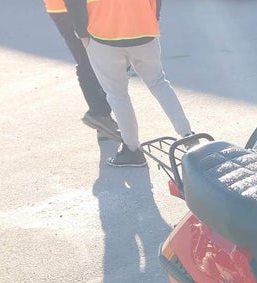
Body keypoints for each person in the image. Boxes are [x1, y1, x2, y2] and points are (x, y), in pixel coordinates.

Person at [64, 0, 193, 168]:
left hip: (103, 35)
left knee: (117, 94)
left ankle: (132, 150)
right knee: (158, 83)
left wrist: (82, 35)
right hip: (144, 30)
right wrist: (152, 18)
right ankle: (188, 136)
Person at [42, 0, 120, 140]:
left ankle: (102, 123)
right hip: (77, 7)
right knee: (94, 57)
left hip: (59, 8)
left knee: (86, 57)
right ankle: (99, 113)